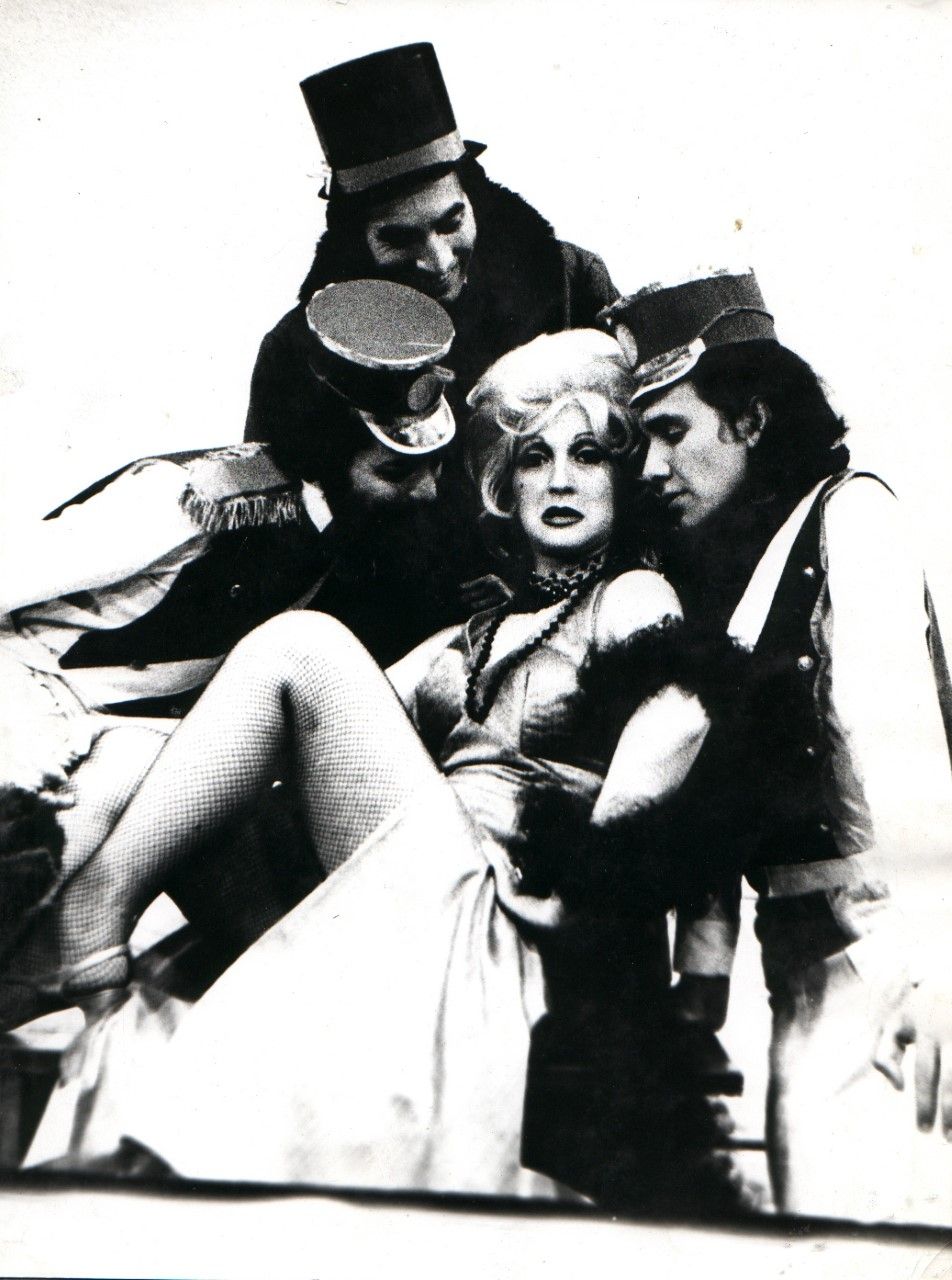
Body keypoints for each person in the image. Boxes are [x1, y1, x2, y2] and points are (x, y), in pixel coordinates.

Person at [27, 329, 741, 1205]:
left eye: (588, 455)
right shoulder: (468, 633)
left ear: (624, 480)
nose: (560, 479)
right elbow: (286, 740)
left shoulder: (631, 595)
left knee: (302, 647)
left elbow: (681, 717)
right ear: (505, 485)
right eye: (535, 458)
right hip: (417, 900)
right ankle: (78, 933)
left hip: (502, 916)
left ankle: (94, 915)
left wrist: (593, 892)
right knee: (176, 758)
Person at [0, 280, 458, 1031]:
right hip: (23, 704)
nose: (427, 493)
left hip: (114, 738)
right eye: (396, 472)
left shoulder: (346, 541)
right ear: (328, 451)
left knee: (173, 785)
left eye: (433, 466)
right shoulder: (189, 497)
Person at [600, 270, 952, 1221]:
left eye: (672, 431)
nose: (650, 468)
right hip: (798, 965)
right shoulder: (739, 568)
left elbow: (902, 753)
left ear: (751, 419)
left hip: (883, 958)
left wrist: (931, 972)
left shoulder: (851, 517)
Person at [244, 42, 620, 620]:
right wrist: (352, 507)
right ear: (354, 240)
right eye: (398, 238)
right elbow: (266, 549)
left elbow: (640, 463)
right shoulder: (297, 353)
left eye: (452, 222)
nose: (438, 260)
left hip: (569, 608)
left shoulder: (571, 283)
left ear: (476, 199)